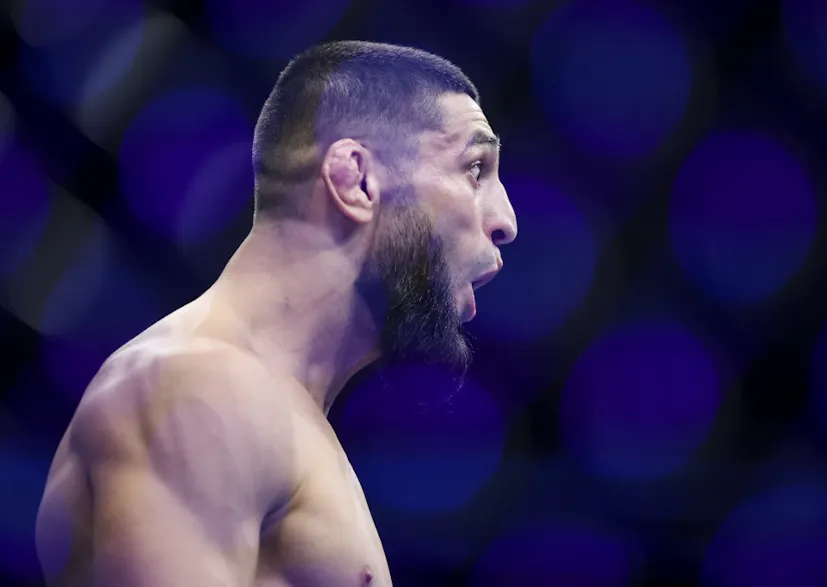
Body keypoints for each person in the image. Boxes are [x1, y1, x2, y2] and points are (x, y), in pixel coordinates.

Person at [34, 40, 517, 586]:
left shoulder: (278, 410)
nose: (506, 220)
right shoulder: (201, 386)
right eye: (475, 168)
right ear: (357, 180)